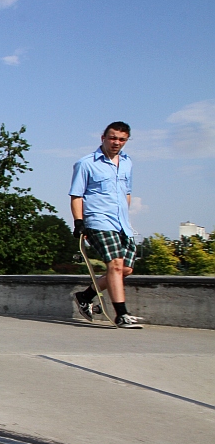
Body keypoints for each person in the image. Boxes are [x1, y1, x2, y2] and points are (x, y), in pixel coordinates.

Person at [69, 121, 142, 328]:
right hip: (98, 221)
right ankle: (122, 315)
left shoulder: (127, 162)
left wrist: (126, 217)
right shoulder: (86, 163)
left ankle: (85, 296)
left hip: (122, 224)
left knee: (125, 269)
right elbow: (76, 195)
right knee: (115, 265)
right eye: (113, 138)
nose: (116, 142)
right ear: (103, 138)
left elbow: (127, 193)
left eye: (122, 139)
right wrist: (79, 222)